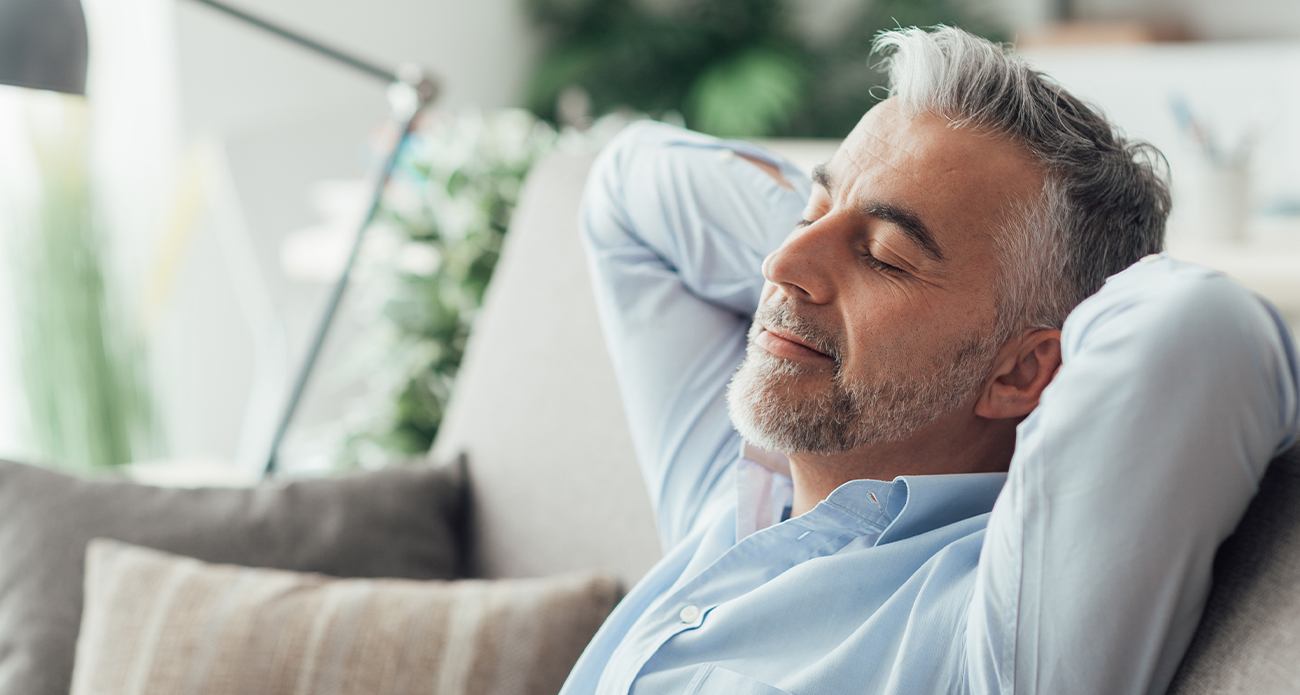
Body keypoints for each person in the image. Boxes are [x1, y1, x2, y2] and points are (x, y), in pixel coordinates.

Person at [558, 26, 1300, 695]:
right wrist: (851, 215)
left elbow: (1199, 325)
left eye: (885, 257)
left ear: (1022, 373)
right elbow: (628, 187)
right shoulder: (733, 493)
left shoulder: (989, 641)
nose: (780, 263)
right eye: (806, 216)